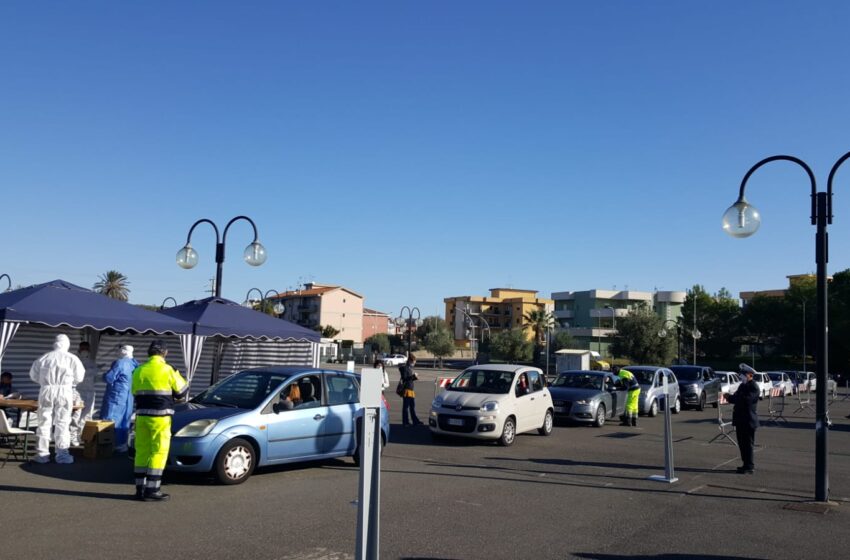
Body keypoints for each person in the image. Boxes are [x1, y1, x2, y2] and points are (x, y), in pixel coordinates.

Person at [132, 340, 188, 501]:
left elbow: (134, 392)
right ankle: (152, 490)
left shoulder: (139, 370)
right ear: (164, 353)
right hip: (160, 418)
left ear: (149, 353)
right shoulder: (168, 369)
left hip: (141, 416)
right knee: (159, 452)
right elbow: (182, 391)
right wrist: (176, 373)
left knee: (141, 452)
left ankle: (139, 489)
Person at [28, 334, 85, 464]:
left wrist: (45, 383)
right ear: (67, 344)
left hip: (46, 390)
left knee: (44, 422)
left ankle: (42, 454)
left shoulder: (44, 358)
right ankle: (62, 454)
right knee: (63, 422)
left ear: (55, 343)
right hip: (64, 391)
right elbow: (79, 377)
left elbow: (33, 375)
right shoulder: (72, 358)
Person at [100, 345, 138, 453]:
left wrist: (102, 375)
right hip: (129, 396)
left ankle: (108, 444)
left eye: (120, 349)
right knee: (125, 420)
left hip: (116, 395)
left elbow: (109, 377)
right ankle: (122, 444)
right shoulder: (135, 364)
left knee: (110, 418)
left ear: (123, 351)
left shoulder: (120, 363)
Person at [726, 364, 760, 474]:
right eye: (741, 375)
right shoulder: (742, 386)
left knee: (748, 445)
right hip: (740, 420)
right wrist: (728, 397)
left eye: (743, 375)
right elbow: (735, 398)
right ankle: (745, 464)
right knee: (742, 444)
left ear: (750, 375)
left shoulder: (753, 386)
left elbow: (746, 400)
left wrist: (735, 398)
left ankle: (750, 466)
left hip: (748, 421)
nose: (741, 377)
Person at [69, 341, 98, 446]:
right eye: (83, 349)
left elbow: (93, 373)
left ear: (89, 350)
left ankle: (84, 436)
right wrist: (88, 371)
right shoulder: (74, 361)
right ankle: (72, 437)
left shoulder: (92, 362)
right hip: (78, 391)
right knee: (75, 415)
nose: (84, 351)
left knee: (87, 415)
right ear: (79, 349)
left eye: (86, 349)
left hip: (90, 392)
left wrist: (87, 371)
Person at [400, 355, 421, 426]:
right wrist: (413, 376)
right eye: (414, 362)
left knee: (412, 406)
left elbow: (409, 379)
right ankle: (405, 422)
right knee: (406, 407)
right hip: (407, 390)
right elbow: (405, 378)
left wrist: (415, 378)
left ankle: (415, 421)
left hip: (411, 389)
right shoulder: (405, 368)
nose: (414, 363)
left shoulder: (409, 368)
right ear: (410, 361)